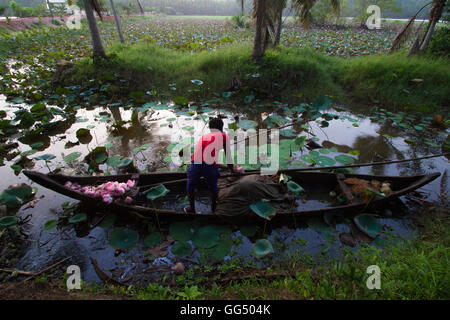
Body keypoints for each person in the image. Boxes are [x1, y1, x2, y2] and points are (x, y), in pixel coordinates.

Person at [184, 118, 237, 214]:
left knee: (191, 187)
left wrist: (224, 167)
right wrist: (231, 170)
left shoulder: (204, 137)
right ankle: (213, 209)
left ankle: (192, 209)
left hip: (195, 164)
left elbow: (203, 159)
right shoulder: (224, 136)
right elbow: (228, 158)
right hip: (209, 166)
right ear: (221, 128)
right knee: (213, 188)